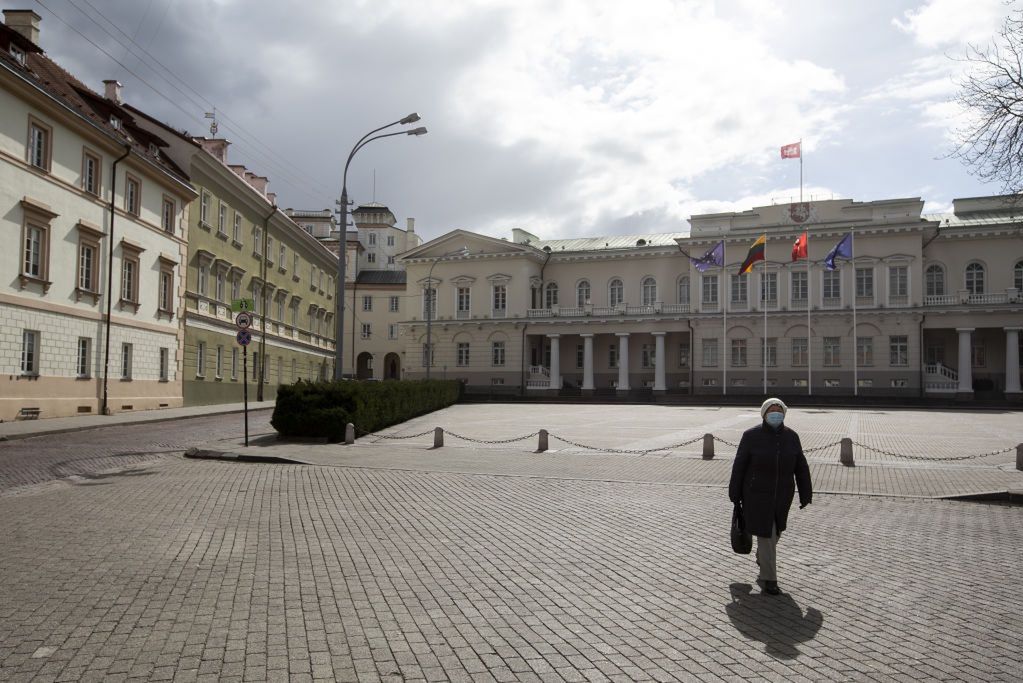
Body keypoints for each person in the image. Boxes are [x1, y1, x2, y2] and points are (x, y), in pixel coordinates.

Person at [728, 398, 812, 595]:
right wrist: (735, 492)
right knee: (767, 533)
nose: (776, 414)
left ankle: (762, 555)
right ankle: (769, 579)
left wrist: (805, 493)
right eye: (772, 410)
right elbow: (739, 466)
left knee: (776, 532)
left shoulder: (792, 437)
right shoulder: (751, 436)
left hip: (783, 495)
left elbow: (801, 466)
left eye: (779, 410)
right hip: (756, 494)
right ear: (764, 414)